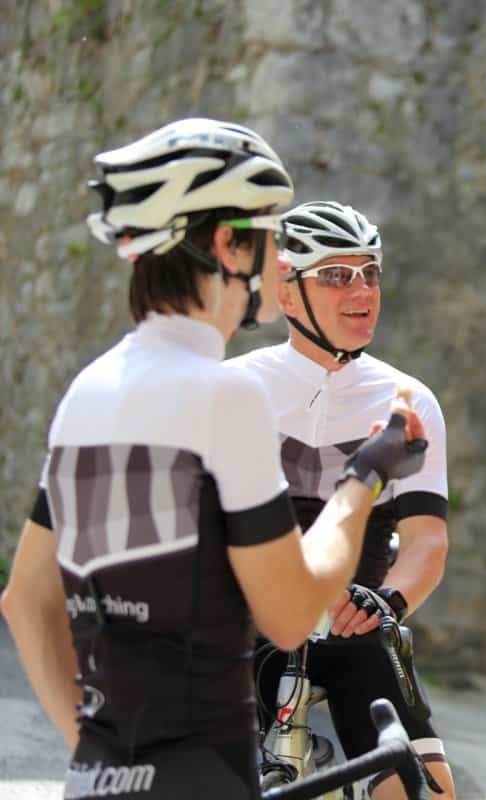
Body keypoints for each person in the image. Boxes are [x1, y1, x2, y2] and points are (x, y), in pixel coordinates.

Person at [0, 119, 428, 799]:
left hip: (97, 781)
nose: (278, 261)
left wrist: (91, 747)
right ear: (227, 245)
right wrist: (367, 472)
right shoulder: (224, 395)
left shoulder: (89, 391)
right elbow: (290, 613)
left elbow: (26, 601)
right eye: (267, 237)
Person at [226, 200, 455, 800]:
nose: (361, 289)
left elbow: (427, 539)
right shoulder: (236, 389)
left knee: (423, 791)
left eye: (369, 271)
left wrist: (387, 603)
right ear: (287, 292)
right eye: (336, 274)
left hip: (355, 627)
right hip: (245, 629)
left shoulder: (408, 400)